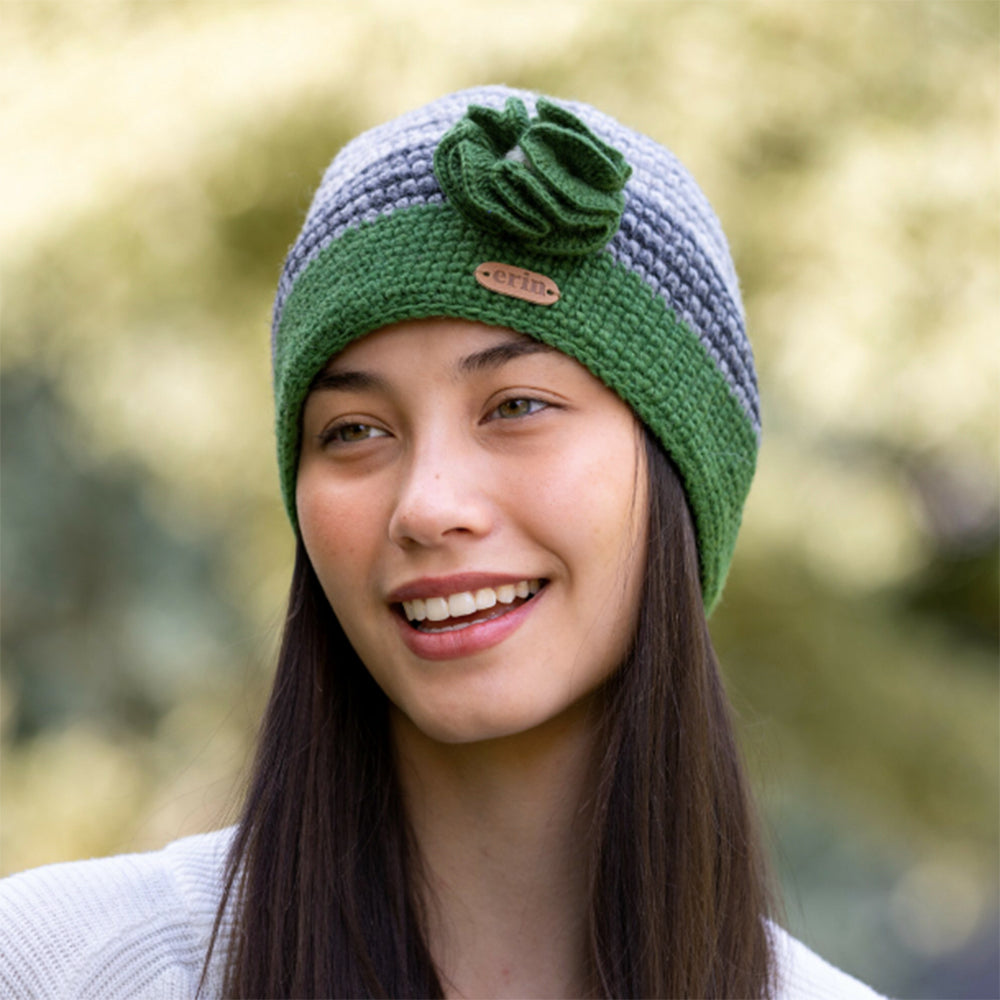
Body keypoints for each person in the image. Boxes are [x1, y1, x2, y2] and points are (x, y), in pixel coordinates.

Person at [0, 86, 885, 999]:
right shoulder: (53, 967)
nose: (426, 506)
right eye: (353, 430)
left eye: (518, 408)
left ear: (681, 477)